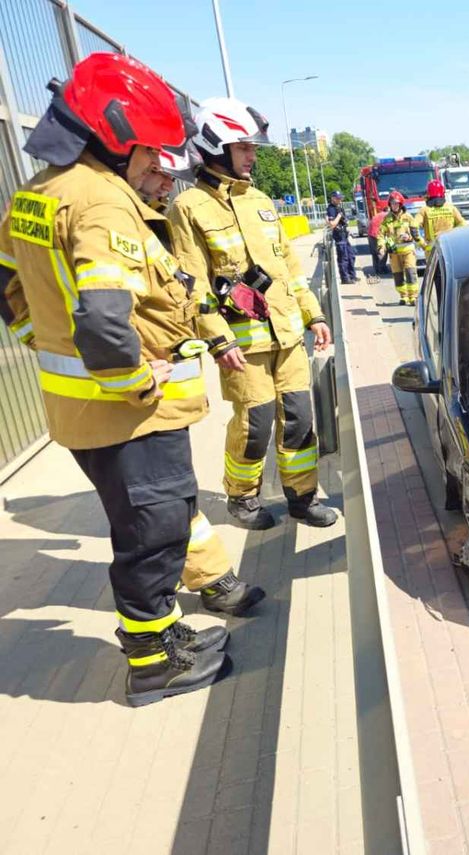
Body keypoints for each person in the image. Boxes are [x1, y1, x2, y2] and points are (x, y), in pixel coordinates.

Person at [0, 53, 230, 705]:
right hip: (129, 413)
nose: (163, 172)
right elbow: (104, 320)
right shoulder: (102, 204)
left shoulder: (37, 194)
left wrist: (39, 341)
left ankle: (165, 635)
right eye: (152, 158)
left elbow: (5, 277)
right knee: (153, 533)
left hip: (83, 414)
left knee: (158, 522)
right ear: (111, 139)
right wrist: (135, 379)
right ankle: (154, 661)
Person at [167, 96, 338, 531]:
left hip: (287, 336)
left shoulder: (261, 200)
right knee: (255, 424)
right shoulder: (188, 208)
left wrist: (314, 315)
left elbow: (289, 269)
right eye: (244, 148)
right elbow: (194, 286)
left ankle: (302, 496)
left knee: (299, 420)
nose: (252, 156)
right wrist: (217, 339)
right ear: (216, 146)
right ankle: (242, 498)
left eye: (252, 148)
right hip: (242, 347)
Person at [136, 132, 266, 617]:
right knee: (157, 501)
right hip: (132, 389)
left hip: (161, 385)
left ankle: (210, 581)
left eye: (169, 173)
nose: (165, 182)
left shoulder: (148, 220)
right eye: (156, 171)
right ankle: (166, 623)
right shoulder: (115, 218)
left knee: (173, 492)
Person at [380, 190, 420, 305]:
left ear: (401, 204)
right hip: (394, 252)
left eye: (396, 203)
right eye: (392, 204)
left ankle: (413, 297)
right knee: (398, 275)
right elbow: (381, 234)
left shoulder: (408, 217)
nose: (394, 206)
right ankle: (403, 296)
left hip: (408, 250)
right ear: (390, 205)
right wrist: (381, 247)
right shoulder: (387, 219)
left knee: (410, 272)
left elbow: (415, 233)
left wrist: (409, 237)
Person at [417, 179, 466, 253]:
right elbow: (463, 224)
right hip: (450, 247)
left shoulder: (424, 210)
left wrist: (422, 244)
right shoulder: (451, 208)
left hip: (432, 251)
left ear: (428, 193)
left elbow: (413, 226)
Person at [326, 190, 358, 284]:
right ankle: (345, 278)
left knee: (351, 256)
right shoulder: (331, 209)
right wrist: (339, 216)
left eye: (340, 198)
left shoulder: (339, 207)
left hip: (344, 235)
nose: (340, 200)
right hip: (339, 237)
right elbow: (332, 224)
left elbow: (344, 221)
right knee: (343, 258)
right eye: (338, 198)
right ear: (333, 198)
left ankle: (352, 276)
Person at [367, 206, 386, 277]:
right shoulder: (387, 215)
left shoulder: (379, 214)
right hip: (376, 233)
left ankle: (376, 269)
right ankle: (381, 268)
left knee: (374, 252)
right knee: (382, 250)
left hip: (370, 233)